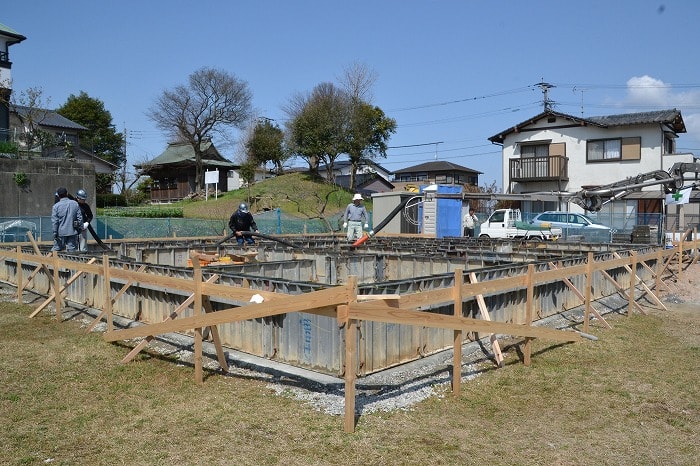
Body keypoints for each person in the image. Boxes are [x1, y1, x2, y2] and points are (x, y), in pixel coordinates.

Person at [51, 187, 82, 252]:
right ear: (67, 193)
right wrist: (80, 228)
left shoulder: (56, 206)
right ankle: (71, 261)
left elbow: (55, 221)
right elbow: (79, 218)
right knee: (72, 250)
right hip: (72, 231)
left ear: (58, 196)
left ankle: (50, 261)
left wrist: (55, 232)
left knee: (56, 250)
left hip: (60, 232)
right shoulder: (75, 203)